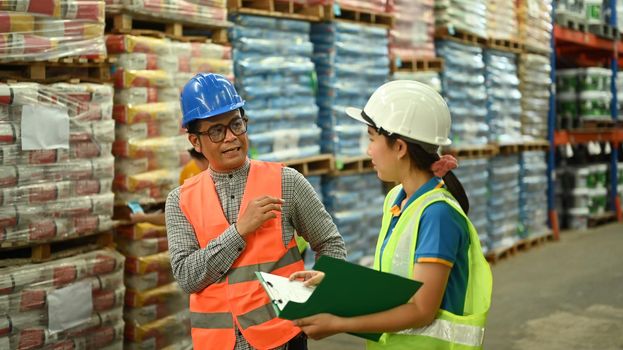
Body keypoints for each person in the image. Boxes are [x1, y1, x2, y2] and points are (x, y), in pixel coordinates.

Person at [290, 80, 492, 349]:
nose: (368, 149)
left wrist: (339, 323)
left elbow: (422, 310)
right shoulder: (396, 199)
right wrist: (332, 286)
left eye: (372, 138)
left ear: (399, 147)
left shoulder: (438, 215)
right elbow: (393, 284)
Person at [164, 73, 347, 350]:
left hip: (284, 339)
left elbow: (331, 244)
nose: (231, 138)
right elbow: (187, 277)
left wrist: (317, 293)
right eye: (216, 130)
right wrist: (239, 231)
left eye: (236, 124)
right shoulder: (180, 201)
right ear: (195, 141)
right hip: (217, 344)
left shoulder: (287, 182)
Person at [129, 149, 210, 225]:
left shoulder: (198, 175)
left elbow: (180, 216)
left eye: (196, 162)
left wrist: (144, 218)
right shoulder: (191, 170)